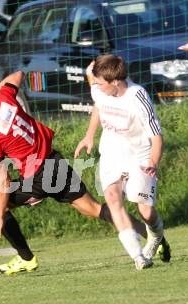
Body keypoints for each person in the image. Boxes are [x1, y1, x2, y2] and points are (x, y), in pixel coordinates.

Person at [0, 70, 154, 275]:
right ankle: (153, 236)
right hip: (53, 161)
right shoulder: (4, 99)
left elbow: (4, 179)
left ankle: (26, 259)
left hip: (39, 176)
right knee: (92, 208)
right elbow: (18, 75)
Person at [75, 54, 171, 270]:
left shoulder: (137, 97)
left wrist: (154, 162)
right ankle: (138, 256)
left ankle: (155, 235)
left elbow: (157, 136)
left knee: (145, 212)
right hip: (112, 151)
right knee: (112, 196)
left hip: (140, 154)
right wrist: (89, 135)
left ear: (115, 81)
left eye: (100, 83)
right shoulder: (99, 86)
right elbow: (98, 104)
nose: (96, 87)